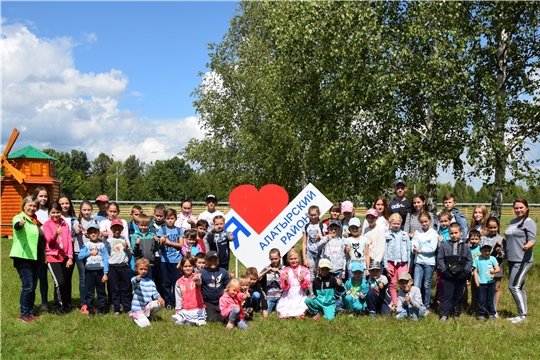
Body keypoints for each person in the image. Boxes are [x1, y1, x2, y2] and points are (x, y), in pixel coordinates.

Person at [11, 196, 45, 322]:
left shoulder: (36, 221)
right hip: (23, 256)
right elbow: (16, 226)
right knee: (28, 286)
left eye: (34, 206)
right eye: (29, 205)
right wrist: (20, 224)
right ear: (24, 205)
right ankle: (24, 314)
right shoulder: (19, 218)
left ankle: (30, 312)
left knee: (33, 286)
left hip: (35, 257)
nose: (32, 208)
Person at [504, 198, 536, 324]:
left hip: (523, 260)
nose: (518, 210)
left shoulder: (529, 222)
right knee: (520, 287)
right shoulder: (513, 221)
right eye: (516, 208)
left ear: (526, 208)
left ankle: (522, 315)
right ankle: (521, 313)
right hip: (512, 259)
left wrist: (527, 246)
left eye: (521, 207)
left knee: (513, 286)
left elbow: (532, 239)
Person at [43, 201, 74, 316]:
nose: (55, 215)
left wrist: (70, 257)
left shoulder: (65, 224)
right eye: (53, 212)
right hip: (53, 256)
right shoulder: (47, 225)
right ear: (49, 213)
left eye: (58, 212)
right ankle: (57, 306)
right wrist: (55, 234)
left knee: (65, 282)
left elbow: (69, 242)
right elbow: (49, 242)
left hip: (64, 257)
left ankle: (65, 305)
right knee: (59, 282)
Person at [437, 223, 472, 323]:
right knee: (447, 296)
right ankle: (444, 314)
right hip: (447, 276)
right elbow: (440, 259)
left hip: (461, 277)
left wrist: (465, 271)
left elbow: (470, 260)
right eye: (451, 233)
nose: (454, 235)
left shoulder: (466, 247)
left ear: (461, 233)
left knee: (458, 296)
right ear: (449, 233)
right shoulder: (444, 246)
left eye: (456, 233)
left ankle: (456, 313)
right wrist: (444, 271)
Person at [78, 222, 108, 317]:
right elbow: (80, 256)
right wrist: (89, 253)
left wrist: (105, 273)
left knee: (101, 292)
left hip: (100, 271)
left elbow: (105, 259)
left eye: (95, 232)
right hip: (89, 272)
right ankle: (90, 310)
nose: (93, 234)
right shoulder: (86, 245)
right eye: (91, 232)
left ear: (98, 232)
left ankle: (100, 309)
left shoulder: (102, 245)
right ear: (87, 234)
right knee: (89, 292)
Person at [157, 208, 185, 310]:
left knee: (176, 283)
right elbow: (160, 246)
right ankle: (168, 301)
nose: (170, 220)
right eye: (168, 218)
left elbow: (181, 244)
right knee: (167, 282)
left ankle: (176, 301)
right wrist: (162, 241)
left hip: (177, 261)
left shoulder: (179, 230)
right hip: (165, 261)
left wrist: (169, 242)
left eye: (172, 218)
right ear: (164, 219)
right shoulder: (162, 230)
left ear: (175, 219)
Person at [411, 211, 438, 313]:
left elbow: (432, 248)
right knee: (417, 285)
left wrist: (420, 250)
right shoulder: (417, 232)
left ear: (430, 221)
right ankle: (416, 304)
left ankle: (426, 306)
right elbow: (413, 243)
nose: (424, 224)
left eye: (426, 221)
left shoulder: (434, 233)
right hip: (418, 261)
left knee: (427, 285)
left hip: (429, 263)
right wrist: (414, 248)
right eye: (422, 222)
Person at [105, 219, 132, 316]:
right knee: (114, 288)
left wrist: (127, 248)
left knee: (126, 288)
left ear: (122, 229)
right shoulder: (108, 241)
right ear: (111, 229)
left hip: (124, 267)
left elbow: (130, 254)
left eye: (119, 229)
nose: (117, 231)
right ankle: (116, 308)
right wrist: (106, 269)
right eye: (115, 229)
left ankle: (127, 307)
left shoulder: (124, 239)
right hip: (113, 267)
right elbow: (106, 255)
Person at [317, 220, 346, 310]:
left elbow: (344, 256)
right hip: (327, 270)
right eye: (332, 229)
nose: (333, 231)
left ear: (339, 230)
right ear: (328, 229)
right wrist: (326, 239)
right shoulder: (325, 239)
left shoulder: (341, 241)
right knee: (327, 288)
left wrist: (344, 269)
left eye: (335, 229)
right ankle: (326, 304)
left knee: (338, 288)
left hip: (338, 270)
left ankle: (338, 306)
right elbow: (318, 246)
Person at [384, 213, 411, 307]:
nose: (396, 226)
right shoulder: (387, 235)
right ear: (390, 223)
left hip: (403, 263)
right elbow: (385, 252)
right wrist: (386, 266)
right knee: (392, 283)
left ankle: (405, 302)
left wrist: (409, 265)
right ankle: (395, 304)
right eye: (394, 223)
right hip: (391, 262)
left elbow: (408, 250)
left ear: (401, 223)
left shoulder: (404, 235)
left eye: (398, 224)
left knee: (403, 283)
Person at [171, 257, 206, 326]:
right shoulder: (179, 282)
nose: (188, 268)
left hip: (197, 307)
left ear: (193, 266)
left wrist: (197, 279)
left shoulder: (196, 277)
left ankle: (193, 321)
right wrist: (178, 309)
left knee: (199, 322)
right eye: (185, 266)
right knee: (178, 322)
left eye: (190, 266)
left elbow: (199, 282)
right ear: (182, 267)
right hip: (185, 308)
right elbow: (178, 297)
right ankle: (186, 320)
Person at [130, 258, 164, 328]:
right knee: (146, 325)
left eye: (145, 269)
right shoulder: (134, 279)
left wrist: (159, 297)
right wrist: (137, 279)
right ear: (136, 269)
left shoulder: (150, 281)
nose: (143, 271)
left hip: (147, 307)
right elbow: (134, 283)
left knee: (161, 303)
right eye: (141, 269)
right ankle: (134, 317)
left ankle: (149, 315)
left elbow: (154, 292)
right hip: (138, 309)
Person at [276, 249, 310, 318]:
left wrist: (303, 280)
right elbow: (284, 287)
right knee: (285, 310)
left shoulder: (304, 270)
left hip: (299, 293)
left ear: (299, 258)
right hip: (289, 294)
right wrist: (285, 281)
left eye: (295, 258)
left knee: (300, 308)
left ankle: (299, 313)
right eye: (291, 259)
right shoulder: (285, 270)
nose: (293, 261)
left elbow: (307, 286)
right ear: (288, 260)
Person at [32, 186, 50, 313]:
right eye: (41, 196)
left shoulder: (50, 211)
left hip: (49, 248)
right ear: (36, 197)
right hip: (36, 248)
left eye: (45, 196)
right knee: (34, 278)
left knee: (44, 278)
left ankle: (45, 302)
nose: (43, 198)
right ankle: (31, 303)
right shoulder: (32, 212)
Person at [481, 216, 505, 312]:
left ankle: (495, 310)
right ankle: (485, 308)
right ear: (487, 227)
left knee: (496, 287)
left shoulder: (501, 239)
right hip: (484, 266)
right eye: (490, 227)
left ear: (498, 227)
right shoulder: (483, 238)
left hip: (498, 265)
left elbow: (504, 255)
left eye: (495, 227)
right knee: (485, 287)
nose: (493, 229)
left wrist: (499, 252)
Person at [76, 200, 96, 314]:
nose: (87, 212)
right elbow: (73, 232)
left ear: (92, 210)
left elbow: (97, 236)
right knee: (83, 278)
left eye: (89, 210)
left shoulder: (94, 222)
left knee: (91, 278)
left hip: (92, 253)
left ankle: (91, 302)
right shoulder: (78, 222)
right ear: (81, 211)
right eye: (84, 210)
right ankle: (84, 303)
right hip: (79, 253)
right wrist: (77, 230)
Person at [301, 205, 326, 294]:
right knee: (311, 274)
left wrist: (320, 237)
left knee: (320, 273)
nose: (313, 217)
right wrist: (304, 258)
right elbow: (304, 243)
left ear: (319, 214)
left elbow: (325, 240)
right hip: (310, 253)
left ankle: (320, 292)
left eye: (315, 214)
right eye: (311, 215)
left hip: (320, 253)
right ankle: (312, 293)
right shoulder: (306, 226)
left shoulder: (322, 226)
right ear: (309, 215)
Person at [473, 240, 500, 322]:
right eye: (485, 250)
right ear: (480, 250)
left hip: (491, 283)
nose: (487, 252)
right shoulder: (477, 259)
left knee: (490, 299)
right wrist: (477, 282)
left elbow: (498, 268)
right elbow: (475, 271)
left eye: (489, 250)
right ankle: (482, 314)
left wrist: (494, 271)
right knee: (482, 299)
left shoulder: (493, 258)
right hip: (481, 283)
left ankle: (492, 314)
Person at [201, 251, 230, 322]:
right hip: (208, 301)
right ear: (206, 261)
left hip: (221, 301)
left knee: (223, 319)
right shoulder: (202, 273)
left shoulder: (223, 271)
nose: (213, 262)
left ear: (218, 261)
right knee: (211, 319)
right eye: (210, 260)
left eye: (215, 260)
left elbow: (228, 285)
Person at [131, 214, 159, 280]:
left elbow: (155, 249)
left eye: (145, 225)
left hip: (150, 262)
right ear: (138, 225)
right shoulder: (135, 236)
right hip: (139, 262)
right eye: (141, 225)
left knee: (149, 279)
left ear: (148, 225)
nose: (143, 227)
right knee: (139, 279)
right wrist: (137, 244)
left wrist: (156, 242)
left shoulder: (151, 235)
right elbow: (134, 250)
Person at [258, 248, 283, 316]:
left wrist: (280, 273)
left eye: (276, 259)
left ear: (280, 257)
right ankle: (264, 308)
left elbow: (289, 279)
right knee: (266, 311)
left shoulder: (283, 268)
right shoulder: (267, 268)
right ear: (269, 258)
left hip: (280, 295)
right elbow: (256, 277)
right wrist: (265, 272)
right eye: (272, 259)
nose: (274, 261)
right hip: (270, 295)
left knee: (281, 312)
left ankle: (276, 306)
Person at [149, 204, 166, 297]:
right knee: (152, 276)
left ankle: (162, 296)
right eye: (157, 216)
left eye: (161, 216)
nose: (159, 218)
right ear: (154, 215)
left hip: (162, 255)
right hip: (152, 255)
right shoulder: (150, 226)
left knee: (160, 278)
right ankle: (152, 296)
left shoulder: (166, 226)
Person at [466, 230, 482, 315]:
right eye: (472, 239)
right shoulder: (468, 249)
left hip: (481, 273)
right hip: (472, 273)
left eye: (476, 239)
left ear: (480, 239)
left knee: (481, 291)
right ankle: (473, 309)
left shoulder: (481, 249)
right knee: (474, 292)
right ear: (469, 239)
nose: (474, 241)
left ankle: (481, 309)